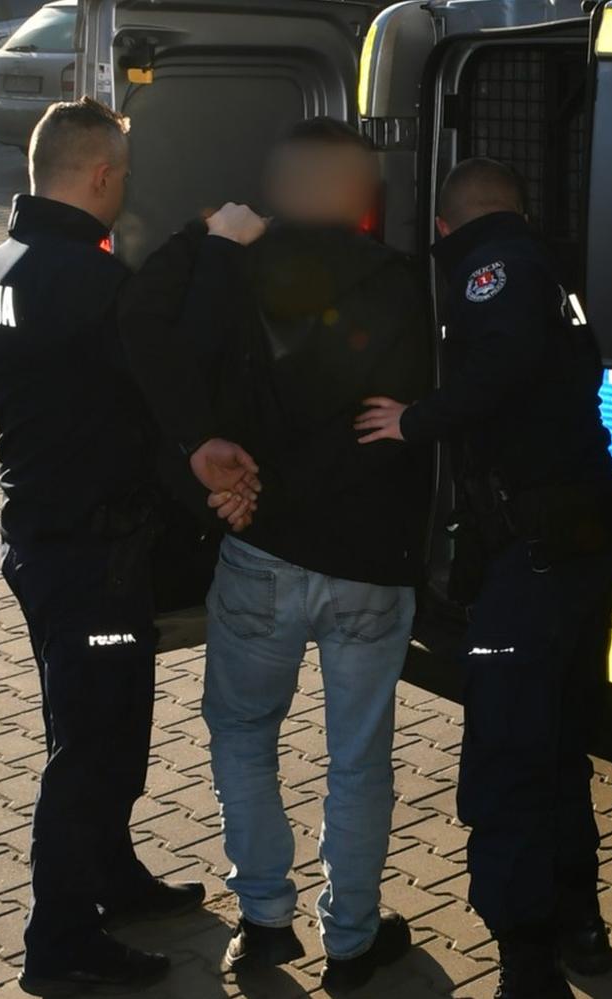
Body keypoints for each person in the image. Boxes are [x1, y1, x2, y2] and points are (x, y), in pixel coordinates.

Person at [118, 117, 432, 993]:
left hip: (260, 551)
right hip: (369, 563)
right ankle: (352, 939)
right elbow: (402, 422)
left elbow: (150, 332)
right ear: (361, 191)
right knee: (358, 757)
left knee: (244, 735)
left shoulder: (234, 266)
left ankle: (263, 923)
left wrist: (235, 486)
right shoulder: (400, 283)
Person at [0, 97, 263, 994]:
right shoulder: (88, 283)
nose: (124, 188)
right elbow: (174, 361)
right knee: (93, 751)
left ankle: (113, 880)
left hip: (40, 538)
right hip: (95, 556)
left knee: (96, 728)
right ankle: (59, 941)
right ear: (99, 175)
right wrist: (217, 252)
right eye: (122, 175)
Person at [356, 158, 612, 999]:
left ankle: (527, 959)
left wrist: (416, 420)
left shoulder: (495, 268)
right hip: (581, 545)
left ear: (448, 226)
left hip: (537, 558)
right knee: (557, 747)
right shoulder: (550, 269)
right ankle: (580, 925)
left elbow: (503, 362)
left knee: (509, 757)